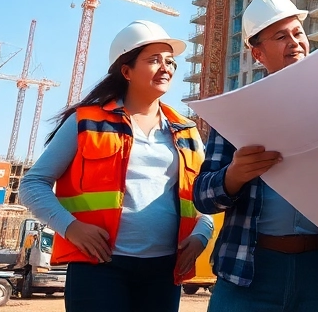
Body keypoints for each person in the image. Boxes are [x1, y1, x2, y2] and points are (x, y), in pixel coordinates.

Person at [19, 20, 213, 312]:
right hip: (100, 267)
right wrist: (71, 228)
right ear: (126, 71)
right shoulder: (86, 122)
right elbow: (33, 184)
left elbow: (205, 197)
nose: (166, 67)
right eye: (154, 60)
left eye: (170, 61)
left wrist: (202, 234)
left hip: (164, 271)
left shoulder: (187, 131)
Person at [192, 0, 318, 311]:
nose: (294, 42)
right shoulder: (236, 113)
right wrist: (233, 176)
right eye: (281, 36)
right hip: (249, 270)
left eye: (298, 33)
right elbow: (202, 196)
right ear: (258, 53)